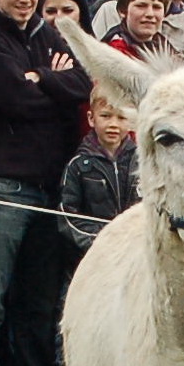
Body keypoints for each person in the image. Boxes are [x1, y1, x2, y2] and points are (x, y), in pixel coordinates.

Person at [0, 0, 90, 366]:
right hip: (3, 187)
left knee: (38, 296)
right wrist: (49, 85)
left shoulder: (46, 35)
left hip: (48, 188)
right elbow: (18, 102)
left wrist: (40, 77)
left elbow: (83, 86)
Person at [58, 86, 139, 252]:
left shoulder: (142, 163)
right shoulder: (78, 165)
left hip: (135, 251)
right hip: (93, 254)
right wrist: (102, 243)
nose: (113, 124)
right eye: (105, 116)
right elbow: (68, 215)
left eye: (121, 118)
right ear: (91, 118)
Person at [101, 0, 183, 62]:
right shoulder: (114, 53)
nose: (150, 14)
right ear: (123, 10)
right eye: (141, 6)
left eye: (157, 7)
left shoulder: (166, 49)